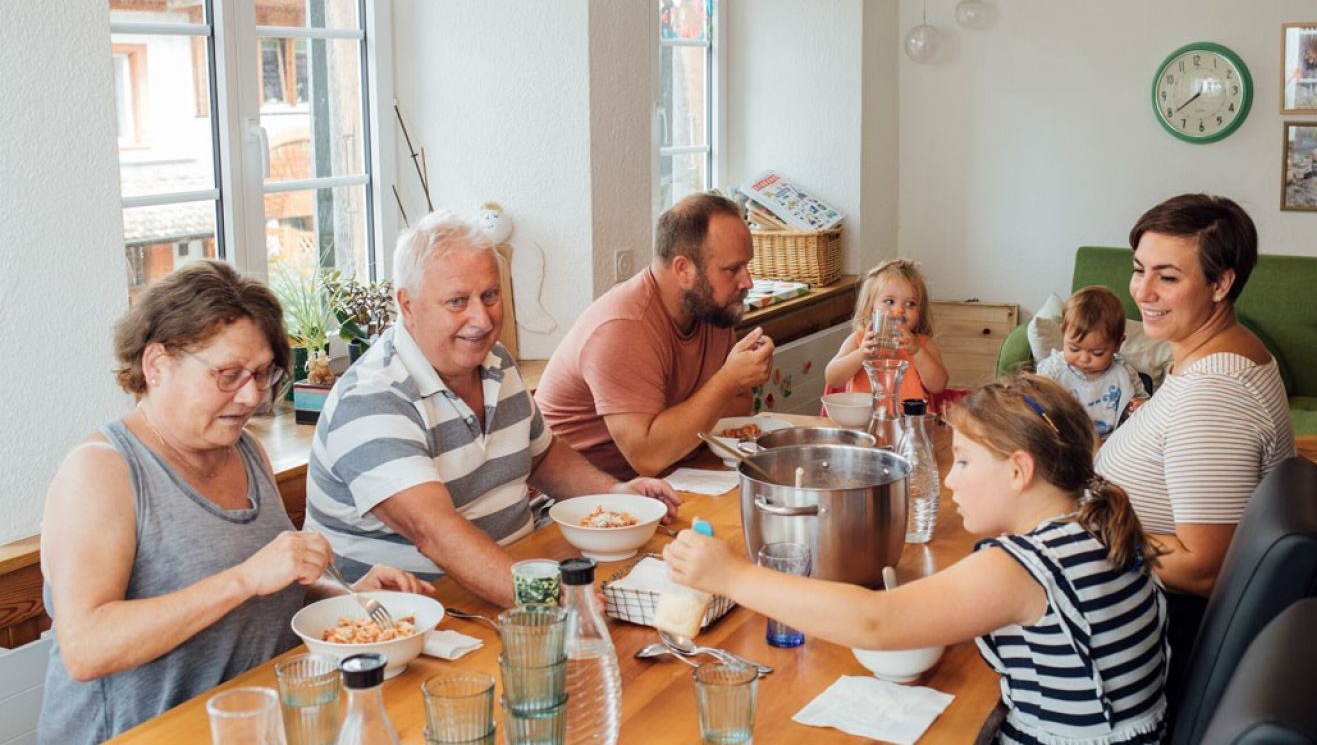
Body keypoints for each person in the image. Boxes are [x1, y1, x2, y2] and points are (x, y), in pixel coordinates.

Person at [37, 261, 431, 744]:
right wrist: (245, 578)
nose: (251, 397)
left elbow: (264, 592)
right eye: (228, 375)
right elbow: (85, 648)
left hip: (253, 725)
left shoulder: (246, 450)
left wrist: (349, 596)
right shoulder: (102, 471)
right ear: (156, 364)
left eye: (263, 374)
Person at [664, 377, 1168, 745]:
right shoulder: (1096, 520)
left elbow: (874, 621)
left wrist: (733, 575)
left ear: (1019, 471)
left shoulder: (1023, 567)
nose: (949, 481)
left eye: (964, 461)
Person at [306, 212, 679, 606]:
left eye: (490, 295)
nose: (482, 319)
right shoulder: (372, 398)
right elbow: (435, 533)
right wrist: (546, 598)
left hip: (506, 583)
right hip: (406, 620)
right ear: (407, 305)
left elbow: (544, 456)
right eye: (457, 302)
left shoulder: (494, 360)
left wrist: (616, 493)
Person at [1093, 193, 1293, 695]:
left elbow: (1203, 568)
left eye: (1168, 276)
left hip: (1159, 632)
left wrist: (1086, 527)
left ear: (1221, 283)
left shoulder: (1216, 393)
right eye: (1139, 269)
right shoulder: (1212, 353)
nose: (1143, 291)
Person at [536, 193, 774, 479]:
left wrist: (681, 425)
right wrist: (728, 379)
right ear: (683, 269)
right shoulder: (624, 327)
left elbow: (738, 408)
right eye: (732, 269)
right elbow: (648, 456)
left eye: (747, 266)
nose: (747, 282)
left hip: (666, 477)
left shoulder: (711, 307)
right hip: (578, 501)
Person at [823, 258, 950, 404]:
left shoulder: (923, 344)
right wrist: (860, 354)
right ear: (870, 308)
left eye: (910, 304)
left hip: (909, 423)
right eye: (889, 301)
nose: (899, 310)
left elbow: (938, 386)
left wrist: (918, 352)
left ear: (920, 312)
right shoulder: (858, 341)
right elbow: (833, 379)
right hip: (865, 423)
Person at [1035, 286, 1149, 439]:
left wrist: (1139, 407)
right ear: (1063, 333)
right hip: (1064, 442)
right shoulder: (1054, 369)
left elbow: (1145, 402)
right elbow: (1034, 401)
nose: (1084, 359)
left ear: (1118, 344)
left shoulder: (1123, 372)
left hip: (1111, 443)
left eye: (1097, 353)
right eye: (1074, 349)